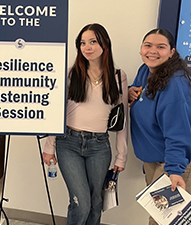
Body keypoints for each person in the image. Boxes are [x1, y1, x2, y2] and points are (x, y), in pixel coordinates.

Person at [43, 23, 128, 225]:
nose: (87, 47)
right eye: (82, 43)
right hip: (68, 143)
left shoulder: (118, 76)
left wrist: (121, 156)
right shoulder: (71, 73)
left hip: (99, 146)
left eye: (93, 42)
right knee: (81, 203)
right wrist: (49, 146)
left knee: (96, 202)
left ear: (105, 44)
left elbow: (124, 119)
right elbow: (56, 112)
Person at [129, 29, 191, 225]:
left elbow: (179, 133)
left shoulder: (176, 85)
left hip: (183, 159)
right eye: (148, 45)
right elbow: (142, 95)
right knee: (159, 216)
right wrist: (130, 92)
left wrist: (175, 170)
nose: (153, 51)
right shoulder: (146, 70)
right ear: (141, 49)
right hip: (157, 157)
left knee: (164, 220)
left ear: (172, 52)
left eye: (161, 47)